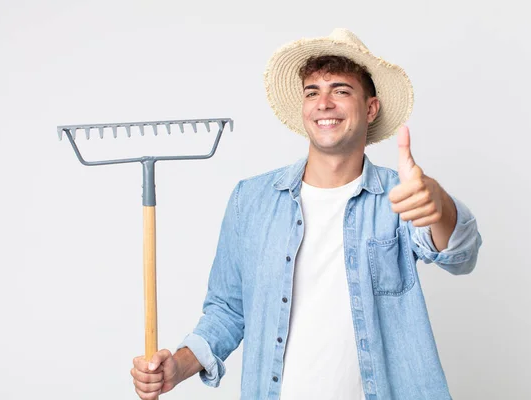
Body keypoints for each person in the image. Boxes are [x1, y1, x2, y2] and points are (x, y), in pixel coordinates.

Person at [131, 28, 482, 400]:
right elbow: (228, 310)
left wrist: (438, 203)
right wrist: (177, 367)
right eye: (312, 92)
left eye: (341, 91)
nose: (324, 103)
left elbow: (462, 255)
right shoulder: (250, 200)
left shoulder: (400, 197)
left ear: (371, 107)